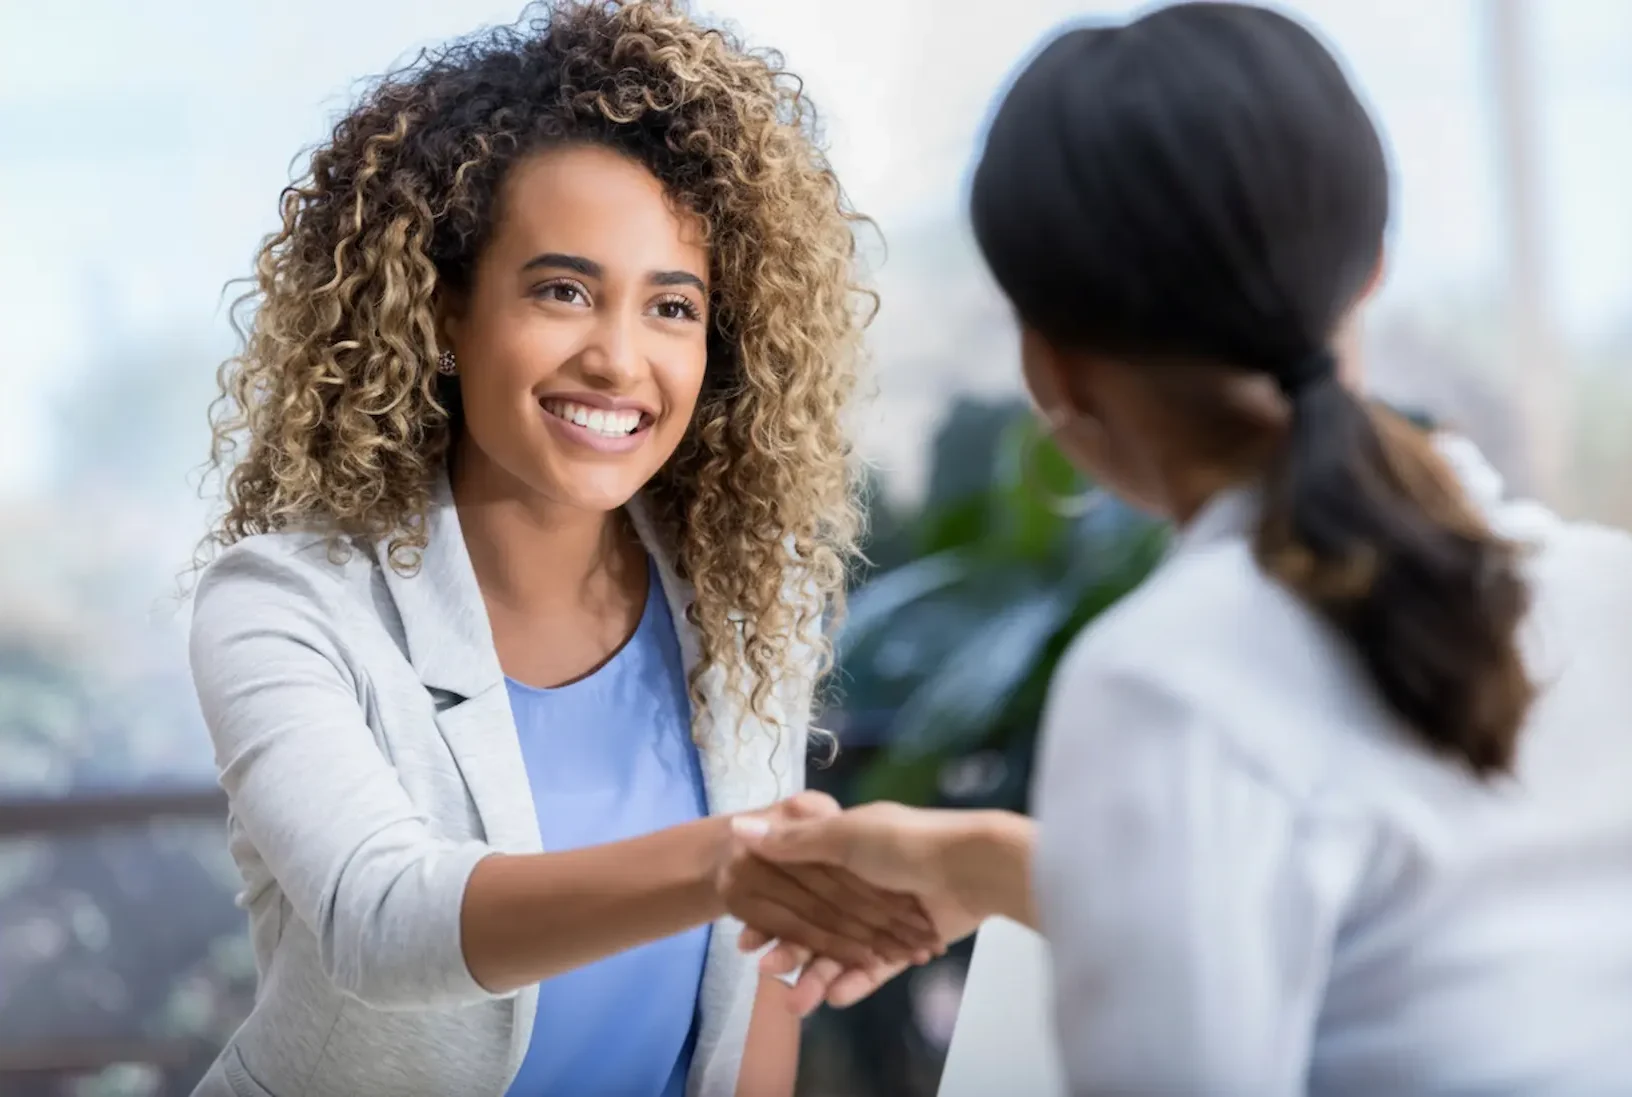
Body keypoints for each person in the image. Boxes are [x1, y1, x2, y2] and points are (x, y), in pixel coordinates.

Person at [726, 3, 1632, 1094]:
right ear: (1370, 277)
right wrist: (986, 862)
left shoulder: (1168, 681)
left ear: (1049, 369)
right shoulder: (1601, 587)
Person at [186, 3, 939, 1095]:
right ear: (445, 310)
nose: (618, 358)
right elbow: (386, 920)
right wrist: (732, 862)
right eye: (563, 289)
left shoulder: (736, 594)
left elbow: (752, 1003)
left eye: (672, 306)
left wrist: (763, 886)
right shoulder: (283, 603)